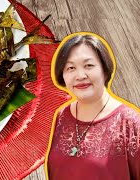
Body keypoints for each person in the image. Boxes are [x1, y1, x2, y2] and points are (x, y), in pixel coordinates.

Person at [45, 32, 140, 180]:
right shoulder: (62, 115)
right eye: (70, 68)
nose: (80, 75)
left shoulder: (130, 122)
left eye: (88, 65)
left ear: (105, 69)